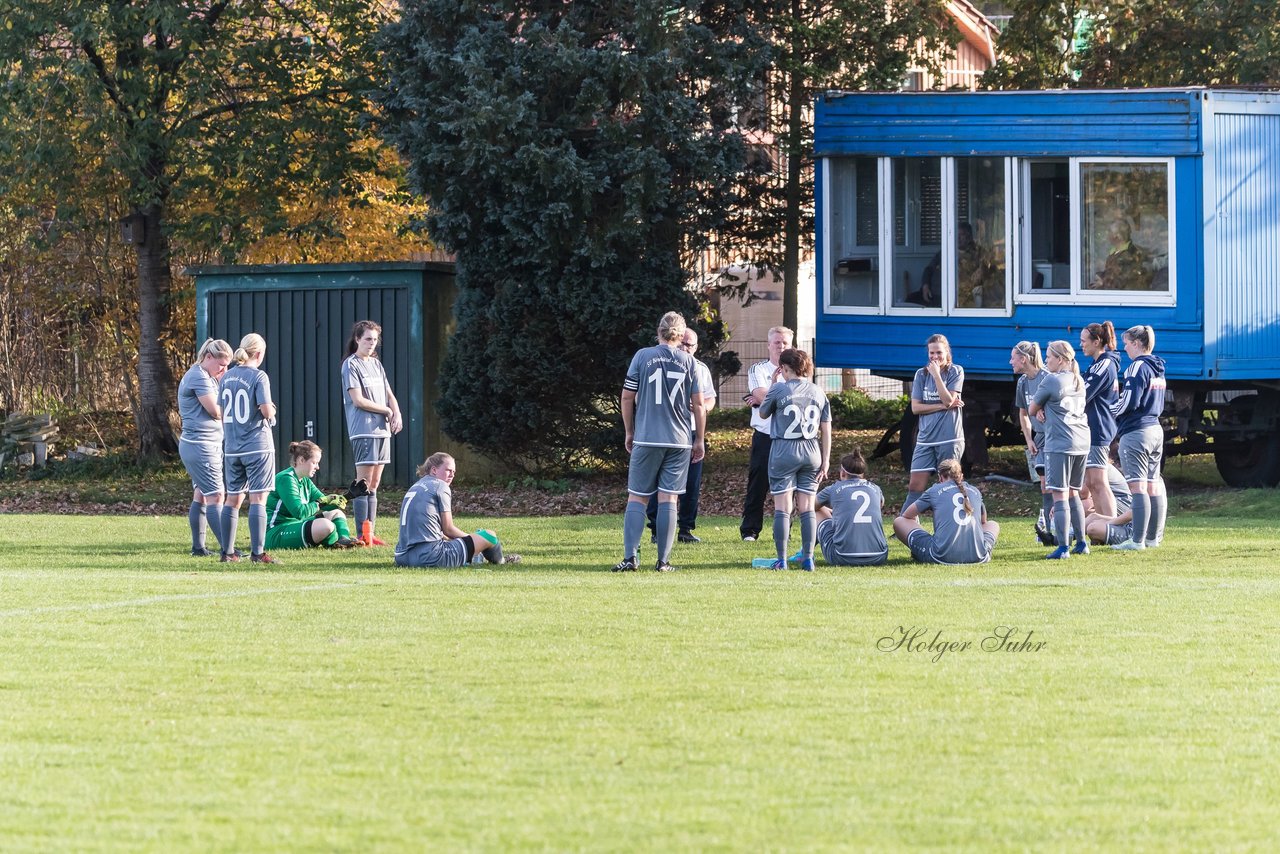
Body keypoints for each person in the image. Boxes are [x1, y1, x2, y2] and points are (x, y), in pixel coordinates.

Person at [615, 311, 707, 572]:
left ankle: (631, 557)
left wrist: (629, 431)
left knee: (638, 497)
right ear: (681, 335)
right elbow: (699, 405)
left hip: (647, 437)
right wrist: (698, 439)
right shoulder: (689, 362)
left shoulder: (642, 356)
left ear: (658, 332)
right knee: (669, 499)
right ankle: (663, 561)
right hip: (679, 440)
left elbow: (626, 397)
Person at [758, 348, 832, 571]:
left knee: (783, 507)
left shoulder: (779, 389)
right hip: (812, 451)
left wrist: (772, 385)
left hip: (784, 449)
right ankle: (808, 558)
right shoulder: (818, 391)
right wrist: (826, 460)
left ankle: (781, 560)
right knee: (808, 507)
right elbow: (826, 428)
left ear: (784, 368)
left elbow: (762, 413)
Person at [646, 326, 717, 543]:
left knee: (691, 482)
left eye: (690, 344)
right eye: (683, 342)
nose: (685, 348)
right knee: (661, 480)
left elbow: (710, 399)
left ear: (696, 347)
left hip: (692, 428)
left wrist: (700, 406)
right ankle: (657, 528)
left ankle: (685, 528)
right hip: (667, 429)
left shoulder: (700, 368)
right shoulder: (663, 363)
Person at [395, 452, 521, 567]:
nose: (452, 475)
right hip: (431, 557)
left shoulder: (416, 486)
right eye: (448, 470)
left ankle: (472, 556)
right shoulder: (440, 486)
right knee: (489, 536)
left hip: (402, 557)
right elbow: (448, 529)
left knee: (468, 542)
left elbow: (434, 531)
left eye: (454, 472)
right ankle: (501, 561)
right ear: (434, 470)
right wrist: (471, 538)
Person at [219, 333, 281, 565]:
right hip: (256, 445)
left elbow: (221, 409)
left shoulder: (227, 377)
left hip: (232, 447)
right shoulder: (259, 376)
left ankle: (227, 552)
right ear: (259, 353)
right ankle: (257, 553)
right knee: (258, 499)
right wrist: (272, 411)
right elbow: (265, 410)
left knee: (232, 499)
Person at [341, 320, 403, 545]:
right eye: (367, 339)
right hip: (363, 430)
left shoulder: (376, 364)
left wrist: (396, 412)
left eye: (375, 339)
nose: (371, 343)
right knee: (363, 483)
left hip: (382, 431)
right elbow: (358, 400)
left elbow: (388, 393)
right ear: (357, 339)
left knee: (375, 484)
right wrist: (386, 410)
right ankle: (361, 535)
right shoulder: (350, 365)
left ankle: (370, 534)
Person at [1028, 340, 1091, 559]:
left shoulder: (1052, 380)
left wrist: (1040, 410)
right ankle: (1082, 542)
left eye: (1049, 357)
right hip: (1082, 440)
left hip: (1060, 442)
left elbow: (1031, 408)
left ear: (1061, 359)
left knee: (1059, 494)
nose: (1046, 361)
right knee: (1074, 492)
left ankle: (1063, 546)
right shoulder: (1078, 379)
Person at [1109, 325, 1167, 550]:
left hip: (1137, 432)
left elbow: (1130, 401)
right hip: (1155, 429)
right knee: (1153, 486)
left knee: (1138, 488)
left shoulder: (1137, 367)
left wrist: (1109, 410)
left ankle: (1137, 541)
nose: (1124, 348)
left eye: (1126, 343)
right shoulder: (1158, 367)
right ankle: (1152, 539)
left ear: (1136, 343)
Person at [178, 338, 233, 558]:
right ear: (208, 357)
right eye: (221, 365)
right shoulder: (199, 376)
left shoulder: (204, 375)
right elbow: (215, 411)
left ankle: (198, 548)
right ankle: (227, 549)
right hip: (201, 446)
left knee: (201, 494)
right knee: (216, 496)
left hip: (200, 444)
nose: (224, 370)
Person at [740, 325, 793, 541]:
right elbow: (761, 394)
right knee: (758, 483)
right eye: (777, 342)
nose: (781, 346)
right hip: (765, 435)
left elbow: (768, 399)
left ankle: (784, 531)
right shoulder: (758, 370)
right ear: (769, 345)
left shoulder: (797, 371)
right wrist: (778, 399)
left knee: (787, 486)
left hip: (789, 436)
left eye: (785, 343)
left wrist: (768, 400)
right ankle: (750, 530)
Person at [893, 458, 999, 564]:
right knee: (993, 524)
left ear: (940, 477)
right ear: (961, 475)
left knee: (899, 521)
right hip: (978, 557)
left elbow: (907, 515)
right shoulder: (975, 491)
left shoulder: (934, 490)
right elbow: (983, 522)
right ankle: (984, 549)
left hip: (941, 557)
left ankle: (920, 551)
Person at [905, 334, 964, 512]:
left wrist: (937, 376)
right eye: (931, 353)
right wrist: (942, 405)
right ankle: (904, 524)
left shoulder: (956, 371)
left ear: (947, 352)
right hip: (925, 439)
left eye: (939, 352)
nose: (935, 357)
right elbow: (916, 408)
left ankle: (960, 521)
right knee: (915, 486)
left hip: (949, 438)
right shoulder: (921, 374)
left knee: (951, 485)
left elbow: (948, 400)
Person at [265, 441, 362, 550]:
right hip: (276, 532)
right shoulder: (286, 478)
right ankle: (334, 541)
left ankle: (344, 540)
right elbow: (299, 512)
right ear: (301, 460)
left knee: (336, 513)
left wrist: (348, 496)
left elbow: (325, 504)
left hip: (296, 525)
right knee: (326, 526)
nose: (318, 467)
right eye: (314, 463)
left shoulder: (305, 480)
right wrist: (320, 503)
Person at [813, 447, 889, 567]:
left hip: (842, 557)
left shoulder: (834, 489)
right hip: (879, 555)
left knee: (816, 512)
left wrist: (826, 510)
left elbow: (809, 507)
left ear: (842, 472)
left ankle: (805, 553)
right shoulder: (876, 489)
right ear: (862, 474)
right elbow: (879, 506)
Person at [1011, 341, 1054, 546]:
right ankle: (1049, 531)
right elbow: (1023, 413)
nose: (1010, 362)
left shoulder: (1047, 377)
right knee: (1044, 486)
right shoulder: (1022, 383)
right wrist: (1028, 439)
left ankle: (1062, 530)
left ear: (1024, 359)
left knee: (1057, 487)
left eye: (1013, 358)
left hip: (1055, 438)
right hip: (1039, 439)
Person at [1079, 321, 1122, 519]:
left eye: (1084, 341)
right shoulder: (1097, 364)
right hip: (1092, 428)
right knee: (1090, 482)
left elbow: (1082, 393)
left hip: (1099, 428)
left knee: (1098, 481)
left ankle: (1112, 526)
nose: (1081, 345)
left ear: (1097, 342)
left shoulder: (1105, 363)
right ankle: (1099, 527)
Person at [1084, 459, 1135, 546]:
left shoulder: (1144, 486)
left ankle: (1105, 531)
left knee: (1092, 527)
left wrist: (1108, 523)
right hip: (1128, 520)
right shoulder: (1143, 484)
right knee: (1093, 517)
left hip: (1133, 530)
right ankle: (1065, 536)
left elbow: (1133, 513)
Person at [1090, 220, 1152, 290]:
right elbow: (1111, 272)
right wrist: (1100, 276)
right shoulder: (1115, 251)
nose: (1107, 234)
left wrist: (1103, 282)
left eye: (1110, 231)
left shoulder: (1129, 255)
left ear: (1117, 236)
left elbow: (1122, 280)